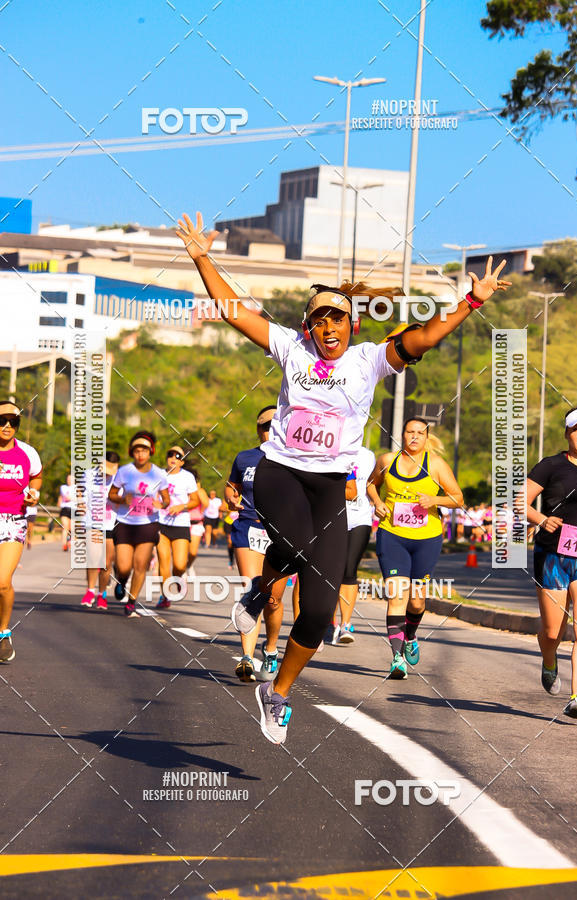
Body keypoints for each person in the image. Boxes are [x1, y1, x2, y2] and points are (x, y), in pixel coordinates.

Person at [177, 210, 510, 743]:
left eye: (337, 319)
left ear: (351, 325)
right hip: (282, 472)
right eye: (319, 320)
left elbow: (424, 337)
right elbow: (233, 309)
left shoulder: (368, 360)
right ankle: (262, 591)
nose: (328, 328)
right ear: (308, 326)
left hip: (331, 485)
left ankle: (278, 692)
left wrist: (471, 301)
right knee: (297, 543)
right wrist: (201, 259)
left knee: (321, 611)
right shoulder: (290, 348)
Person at [368, 420, 463, 678]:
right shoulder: (387, 460)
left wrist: (434, 499)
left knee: (417, 601)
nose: (414, 437)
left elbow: (458, 498)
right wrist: (377, 502)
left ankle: (410, 635)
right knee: (397, 595)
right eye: (410, 432)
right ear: (402, 434)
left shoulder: (436, 465)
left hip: (427, 538)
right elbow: (370, 484)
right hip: (392, 535)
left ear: (426, 438)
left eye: (420, 433)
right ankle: (397, 658)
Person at [526, 405, 577, 719]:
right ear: (567, 433)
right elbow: (519, 501)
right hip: (553, 556)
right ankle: (548, 660)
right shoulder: (551, 465)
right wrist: (542, 520)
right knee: (553, 631)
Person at [226, 406, 282, 683]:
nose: (270, 429)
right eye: (265, 425)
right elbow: (231, 486)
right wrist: (230, 498)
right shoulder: (244, 458)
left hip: (281, 532)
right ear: (258, 429)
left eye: (275, 423)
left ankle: (270, 650)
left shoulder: (295, 458)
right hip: (248, 526)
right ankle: (247, 658)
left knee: (273, 599)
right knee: (252, 589)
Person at [108, 431, 170, 618]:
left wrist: (162, 504)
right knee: (124, 566)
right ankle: (121, 580)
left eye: (144, 450)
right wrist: (121, 498)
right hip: (125, 523)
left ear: (150, 451)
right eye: (136, 451)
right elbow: (111, 494)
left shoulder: (159, 473)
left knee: (140, 565)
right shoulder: (124, 471)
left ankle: (131, 602)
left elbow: (166, 499)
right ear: (131, 453)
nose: (140, 454)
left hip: (148, 523)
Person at [0, 400, 43, 662]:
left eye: (13, 421)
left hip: (13, 520)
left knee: (2, 582)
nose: (7, 425)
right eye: (2, 420)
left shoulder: (27, 452)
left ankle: (3, 633)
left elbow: (36, 476)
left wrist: (34, 493)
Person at [331, 448, 372, 644]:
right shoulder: (329, 451)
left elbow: (372, 485)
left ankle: (345, 625)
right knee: (330, 571)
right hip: (331, 517)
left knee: (349, 569)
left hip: (359, 517)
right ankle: (329, 623)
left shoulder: (368, 456)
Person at [156, 446, 201, 610]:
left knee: (180, 565)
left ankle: (178, 578)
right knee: (163, 561)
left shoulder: (187, 477)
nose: (173, 458)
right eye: (170, 454)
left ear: (182, 461)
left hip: (181, 523)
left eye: (177, 456)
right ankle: (165, 595)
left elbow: (196, 500)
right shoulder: (158, 475)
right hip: (161, 523)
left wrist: (182, 506)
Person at [80, 451, 121, 610]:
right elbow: (80, 492)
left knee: (105, 563)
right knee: (94, 558)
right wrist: (81, 503)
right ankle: (90, 590)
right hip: (92, 522)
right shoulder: (88, 475)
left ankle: (102, 594)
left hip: (111, 524)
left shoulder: (120, 479)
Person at [187, 471, 209, 575]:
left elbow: (206, 503)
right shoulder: (181, 489)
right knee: (182, 551)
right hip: (182, 523)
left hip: (196, 523)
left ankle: (189, 565)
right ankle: (182, 570)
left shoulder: (199, 490)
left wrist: (200, 511)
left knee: (192, 552)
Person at [57, 473, 73, 551]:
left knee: (72, 528)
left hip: (73, 509)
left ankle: (70, 540)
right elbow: (64, 496)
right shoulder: (63, 487)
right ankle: (64, 544)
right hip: (65, 509)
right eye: (68, 479)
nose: (69, 480)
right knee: (65, 526)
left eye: (70, 479)